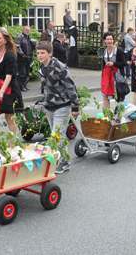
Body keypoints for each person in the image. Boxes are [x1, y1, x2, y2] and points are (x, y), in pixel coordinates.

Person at [37, 41, 79, 174]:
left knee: (57, 135)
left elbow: (70, 86)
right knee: (55, 134)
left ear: (50, 53)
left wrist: (75, 106)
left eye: (43, 53)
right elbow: (45, 86)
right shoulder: (42, 68)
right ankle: (59, 158)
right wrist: (43, 101)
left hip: (62, 105)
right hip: (49, 105)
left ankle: (65, 162)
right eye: (38, 53)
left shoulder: (59, 67)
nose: (40, 55)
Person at [0, 29, 24, 145]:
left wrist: (1, 92)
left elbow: (9, 75)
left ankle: (13, 143)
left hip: (9, 89)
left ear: (5, 41)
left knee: (9, 118)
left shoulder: (10, 55)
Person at [101, 32, 125, 109]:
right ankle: (107, 116)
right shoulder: (104, 51)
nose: (109, 41)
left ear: (113, 40)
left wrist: (113, 63)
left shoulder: (119, 50)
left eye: (111, 39)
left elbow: (124, 63)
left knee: (118, 97)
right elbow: (103, 64)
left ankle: (117, 117)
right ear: (104, 41)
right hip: (106, 76)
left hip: (117, 76)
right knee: (105, 95)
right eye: (107, 39)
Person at [16, 26, 35, 91]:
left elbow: (31, 46)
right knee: (22, 73)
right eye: (26, 30)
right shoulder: (20, 36)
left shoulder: (29, 37)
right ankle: (21, 86)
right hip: (22, 58)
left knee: (27, 73)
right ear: (23, 30)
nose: (28, 31)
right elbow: (17, 47)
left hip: (29, 57)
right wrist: (22, 54)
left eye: (29, 30)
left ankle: (24, 85)